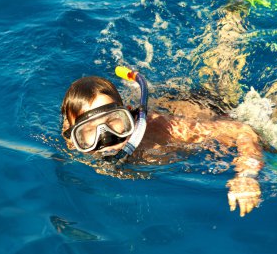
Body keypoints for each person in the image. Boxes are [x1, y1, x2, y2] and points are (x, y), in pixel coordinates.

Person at [61, 67, 266, 217]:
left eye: (114, 122)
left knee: (226, 77)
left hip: (208, 106)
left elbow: (242, 130)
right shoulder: (73, 147)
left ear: (130, 116)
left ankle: (231, 18)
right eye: (88, 132)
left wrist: (246, 175)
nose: (106, 139)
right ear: (73, 137)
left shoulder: (161, 131)